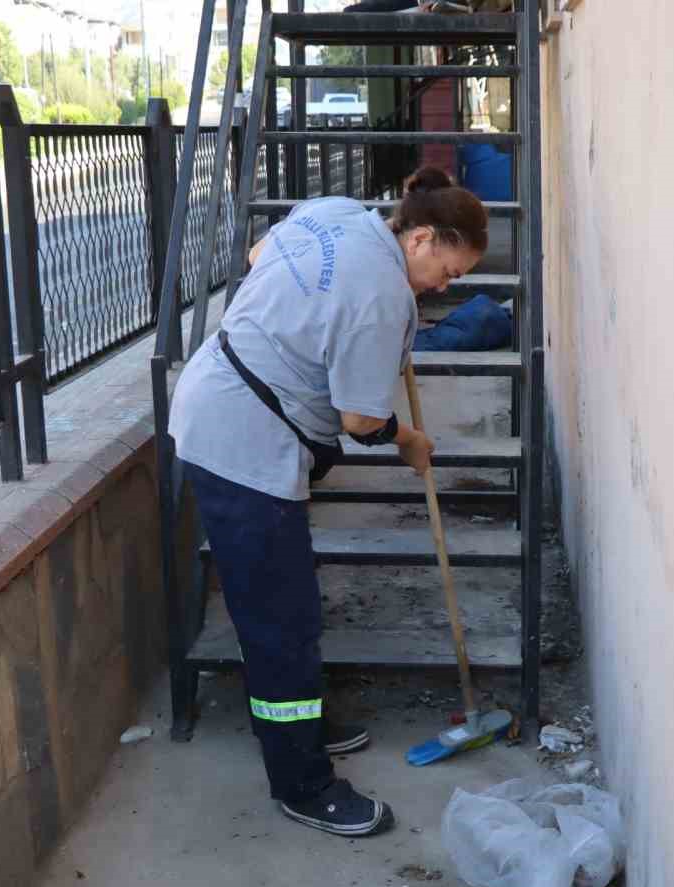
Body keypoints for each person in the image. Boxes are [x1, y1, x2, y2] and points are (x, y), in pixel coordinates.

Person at [171, 167, 489, 836]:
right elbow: (360, 421)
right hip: (242, 443)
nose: (444, 288)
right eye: (447, 272)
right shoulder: (381, 297)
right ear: (421, 238)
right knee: (281, 621)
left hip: (218, 396)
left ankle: (300, 723)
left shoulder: (338, 212)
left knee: (283, 606)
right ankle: (302, 783)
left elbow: (259, 254)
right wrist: (408, 440)